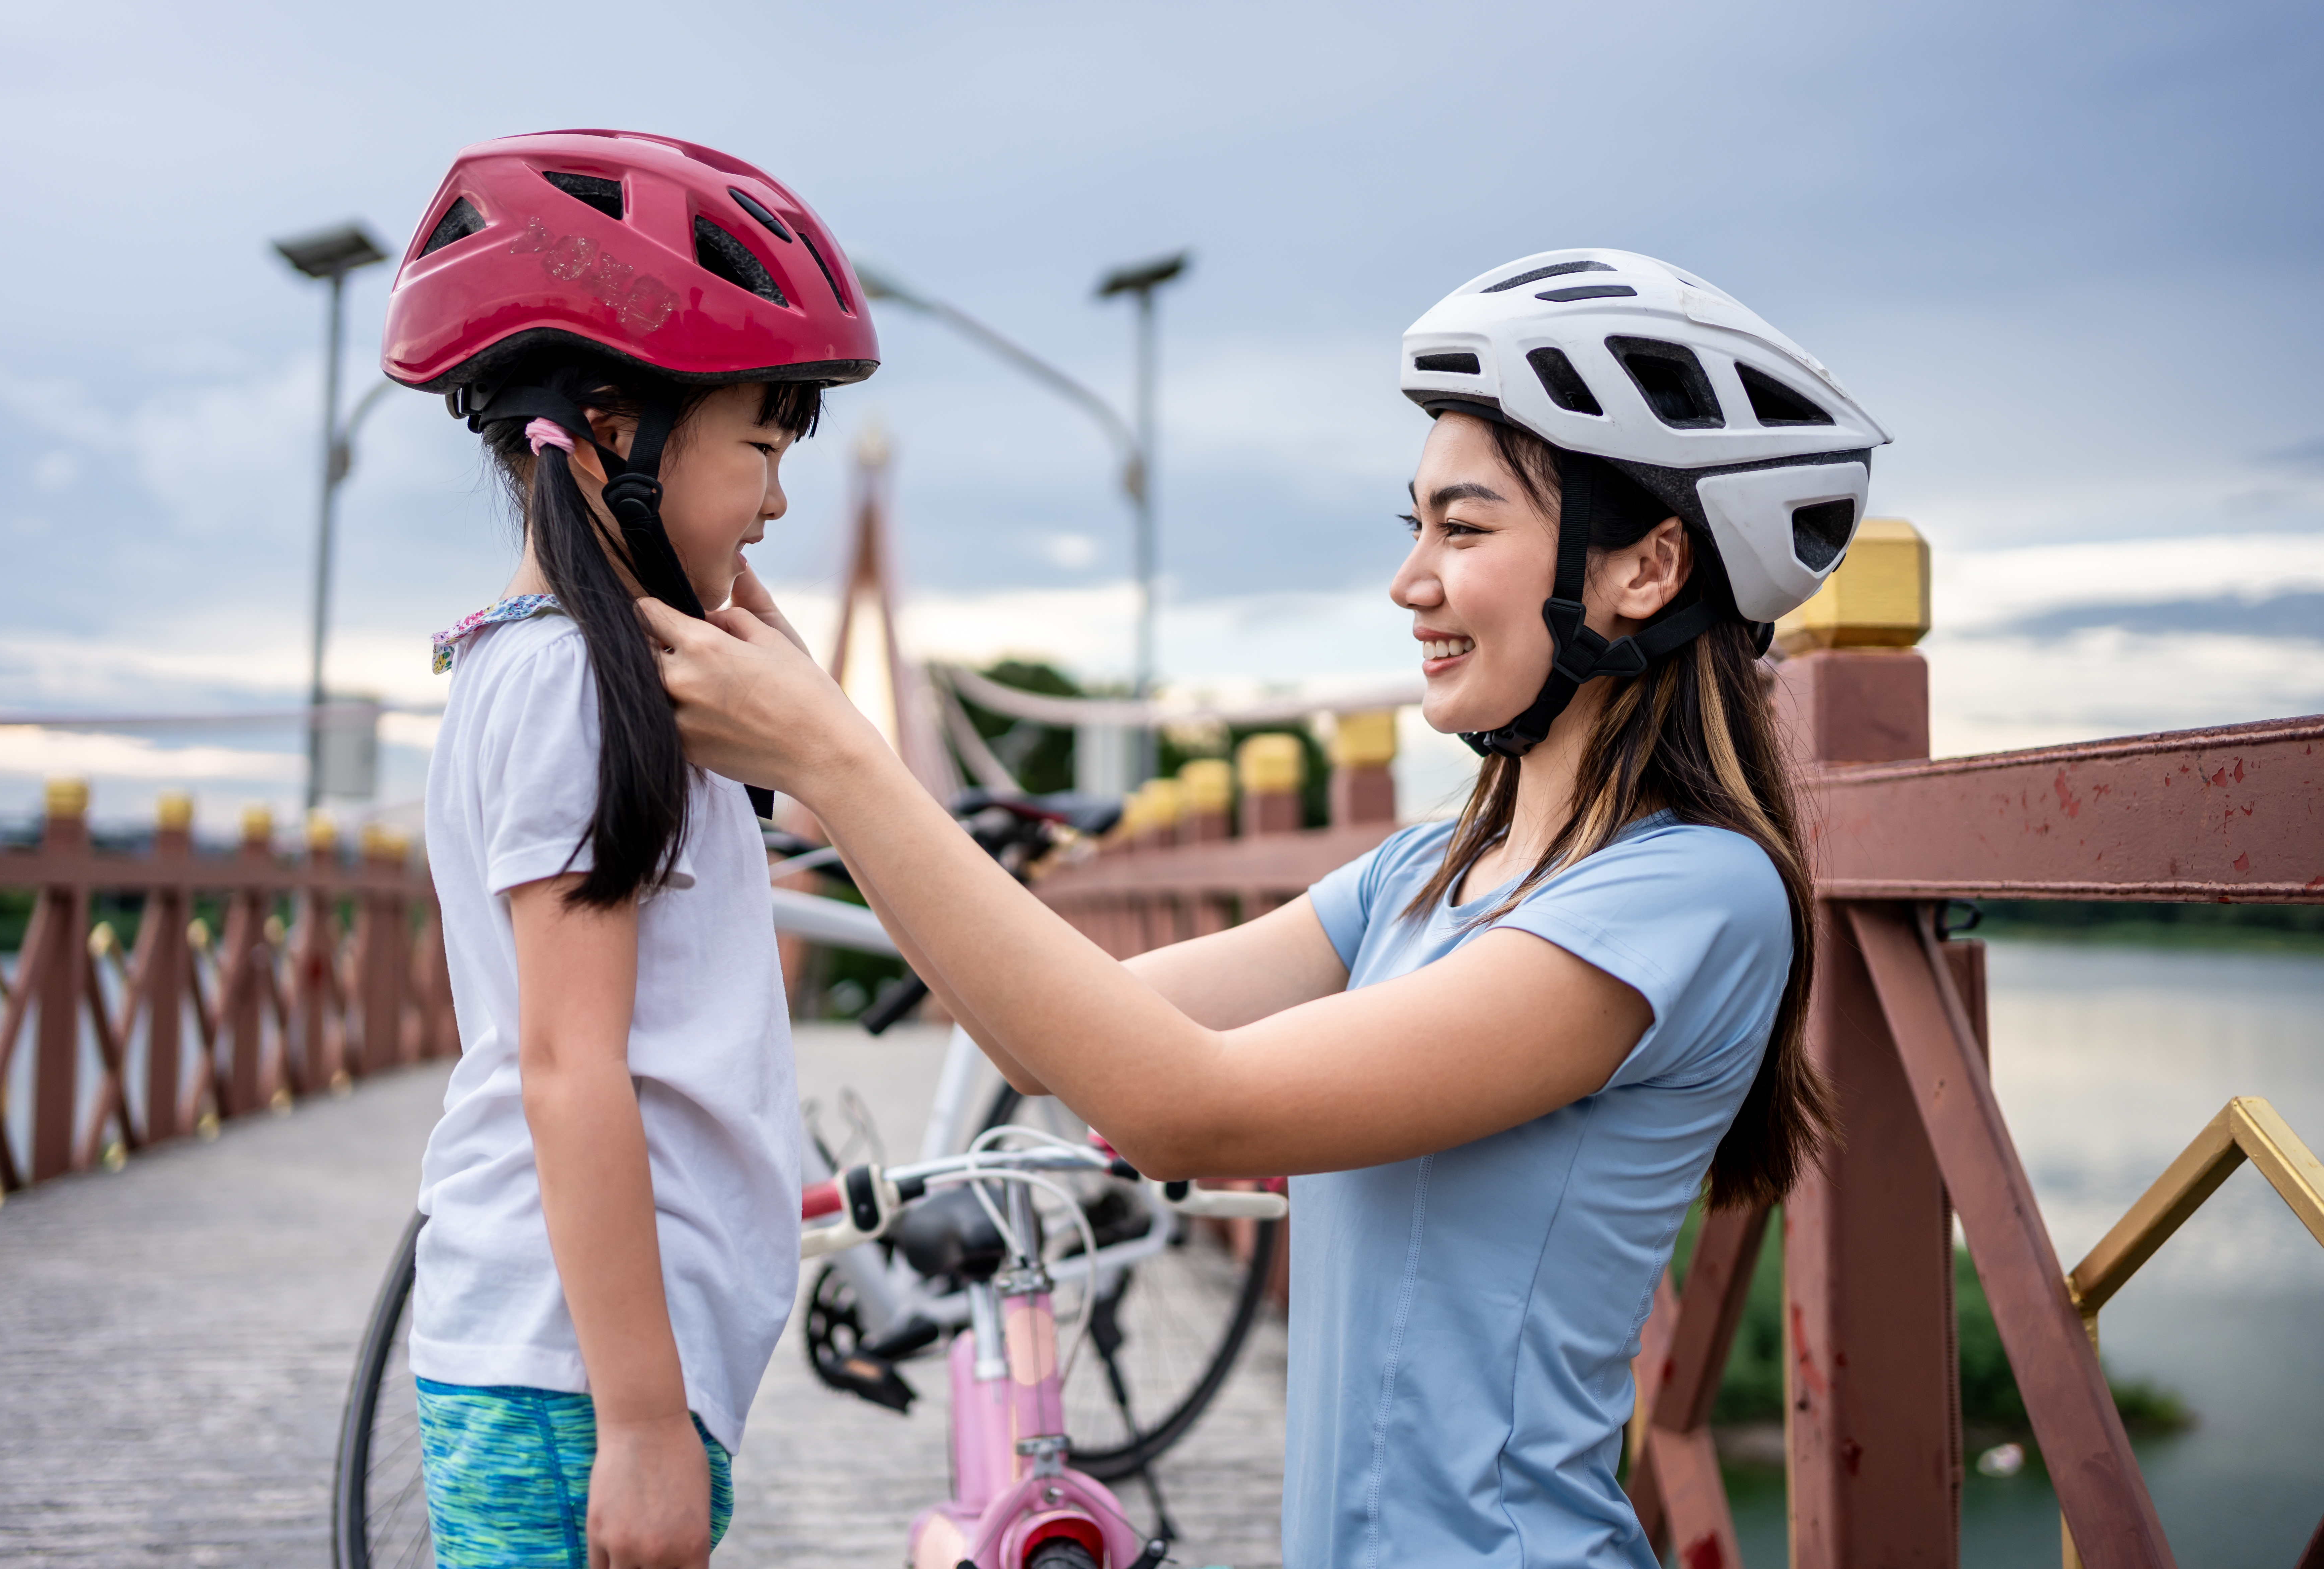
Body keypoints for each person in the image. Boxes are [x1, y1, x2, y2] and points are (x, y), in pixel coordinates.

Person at [646, 248, 1888, 1566]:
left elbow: (1187, 1104)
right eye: (1412, 526)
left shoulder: (1689, 891)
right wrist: (838, 792)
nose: (1412, 581)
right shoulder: (1421, 875)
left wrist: (842, 758)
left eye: (1462, 531)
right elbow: (1051, 1039)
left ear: (1645, 571)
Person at [383, 130, 876, 1568]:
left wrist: (822, 742)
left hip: (584, 1361)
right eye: (764, 446)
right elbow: (569, 1064)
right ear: (611, 429)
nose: (780, 501)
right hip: (576, 1374)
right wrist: (645, 1422)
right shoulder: (572, 690)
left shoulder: (583, 672)